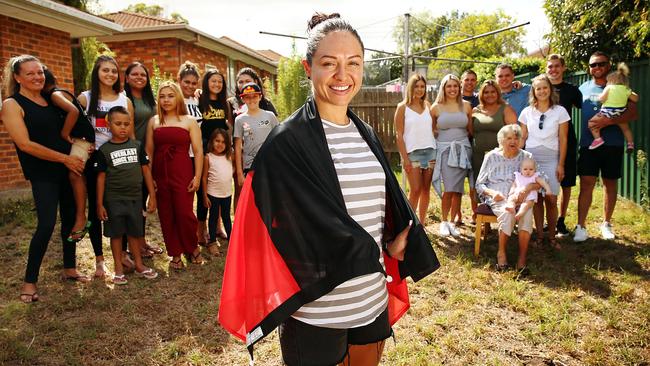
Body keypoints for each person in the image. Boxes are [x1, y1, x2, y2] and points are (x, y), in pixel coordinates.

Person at [218, 13, 439, 366]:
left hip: (370, 299)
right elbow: (261, 226)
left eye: (353, 63)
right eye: (328, 63)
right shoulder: (286, 142)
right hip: (317, 311)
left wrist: (394, 238)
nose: (342, 75)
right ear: (308, 67)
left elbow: (376, 207)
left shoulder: (365, 133)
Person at [2, 55, 89, 303]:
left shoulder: (50, 98)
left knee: (70, 219)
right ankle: (29, 282)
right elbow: (25, 144)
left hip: (68, 167)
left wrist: (80, 147)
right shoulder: (12, 104)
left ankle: (70, 267)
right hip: (43, 172)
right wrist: (64, 158)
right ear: (17, 77)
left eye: (39, 72)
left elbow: (70, 127)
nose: (37, 77)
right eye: (30, 73)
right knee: (46, 224)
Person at [78, 55, 135, 278]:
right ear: (96, 73)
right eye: (105, 70)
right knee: (96, 208)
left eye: (114, 71)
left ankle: (122, 253)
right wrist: (79, 143)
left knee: (122, 207)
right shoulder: (85, 99)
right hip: (95, 162)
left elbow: (129, 135)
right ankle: (100, 261)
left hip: (119, 162)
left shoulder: (124, 100)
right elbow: (72, 124)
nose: (110, 74)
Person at [574, 51, 638, 242]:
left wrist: (607, 122)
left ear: (608, 65)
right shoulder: (583, 88)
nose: (597, 67)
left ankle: (607, 223)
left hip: (613, 143)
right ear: (589, 68)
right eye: (593, 65)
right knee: (586, 184)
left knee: (610, 183)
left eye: (601, 63)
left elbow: (633, 113)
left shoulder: (619, 86)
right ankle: (581, 226)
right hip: (589, 144)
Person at [96, 106, 158, 284]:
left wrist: (152, 196)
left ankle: (139, 265)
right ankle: (118, 268)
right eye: (118, 124)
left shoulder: (137, 146)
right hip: (113, 200)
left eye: (126, 124)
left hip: (135, 199)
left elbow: (146, 171)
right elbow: (101, 179)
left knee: (135, 232)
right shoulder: (104, 151)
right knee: (116, 235)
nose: (122, 128)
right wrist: (99, 204)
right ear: (109, 125)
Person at [146, 81, 204, 269]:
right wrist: (150, 178)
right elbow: (149, 150)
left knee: (184, 212)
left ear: (178, 97)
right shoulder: (154, 121)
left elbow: (198, 151)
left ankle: (192, 247)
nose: (166, 100)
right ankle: (175, 253)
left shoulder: (189, 121)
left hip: (182, 170)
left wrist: (197, 177)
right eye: (162, 96)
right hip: (160, 172)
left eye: (170, 95)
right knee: (166, 214)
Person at [476, 124, 539, 275]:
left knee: (527, 213)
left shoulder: (527, 157)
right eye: (509, 138)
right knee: (508, 212)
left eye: (516, 137)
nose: (513, 141)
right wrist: (491, 193)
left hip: (521, 197)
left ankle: (522, 258)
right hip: (499, 197)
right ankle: (501, 253)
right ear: (501, 140)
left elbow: (540, 180)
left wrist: (527, 188)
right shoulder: (491, 157)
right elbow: (480, 184)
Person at [42, 67, 94, 243]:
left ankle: (81, 217)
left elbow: (74, 111)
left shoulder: (55, 95)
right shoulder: (57, 92)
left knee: (75, 173)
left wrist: (65, 134)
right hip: (81, 137)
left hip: (82, 138)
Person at [519, 74, 569, 249]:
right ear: (534, 91)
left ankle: (552, 236)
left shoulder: (560, 111)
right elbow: (523, 137)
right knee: (536, 200)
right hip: (532, 160)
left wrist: (561, 164)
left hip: (551, 159)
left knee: (551, 198)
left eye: (545, 87)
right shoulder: (527, 112)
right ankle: (539, 235)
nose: (542, 91)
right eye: (538, 88)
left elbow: (563, 139)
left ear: (550, 89)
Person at [124, 61, 163, 257]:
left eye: (143, 75)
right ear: (127, 78)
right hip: (133, 154)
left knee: (144, 197)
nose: (139, 77)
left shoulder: (150, 100)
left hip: (150, 153)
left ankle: (142, 241)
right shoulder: (125, 99)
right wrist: (137, 158)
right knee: (135, 200)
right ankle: (134, 245)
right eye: (135, 74)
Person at [431, 74, 473, 237]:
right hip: (445, 151)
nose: (452, 89)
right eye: (449, 86)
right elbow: (431, 131)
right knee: (448, 188)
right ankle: (444, 221)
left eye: (455, 86)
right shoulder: (436, 108)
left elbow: (470, 130)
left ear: (459, 87)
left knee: (458, 189)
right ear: (443, 88)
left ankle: (454, 222)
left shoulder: (467, 106)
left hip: (463, 149)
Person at [469, 80, 517, 223]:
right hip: (479, 156)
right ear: (481, 94)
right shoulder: (475, 110)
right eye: (486, 92)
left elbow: (514, 132)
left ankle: (507, 216)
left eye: (492, 91)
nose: (489, 95)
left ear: (498, 92)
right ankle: (484, 220)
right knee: (480, 186)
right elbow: (471, 131)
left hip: (500, 157)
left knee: (500, 185)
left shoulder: (505, 108)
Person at [545, 54, 582, 237]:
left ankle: (561, 219)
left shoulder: (572, 90)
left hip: (566, 139)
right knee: (544, 179)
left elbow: (589, 106)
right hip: (545, 141)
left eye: (556, 66)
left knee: (565, 181)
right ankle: (546, 220)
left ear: (563, 68)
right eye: (550, 66)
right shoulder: (542, 88)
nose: (553, 69)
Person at [394, 73, 436, 225]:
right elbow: (399, 135)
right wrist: (405, 159)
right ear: (411, 88)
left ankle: (422, 224)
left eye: (422, 86)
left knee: (426, 189)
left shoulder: (428, 106)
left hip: (430, 152)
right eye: (416, 86)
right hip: (413, 154)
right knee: (416, 189)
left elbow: (432, 129)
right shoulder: (402, 107)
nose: (419, 89)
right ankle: (409, 224)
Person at [177, 61, 209, 246]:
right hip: (182, 154)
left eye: (193, 83)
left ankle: (201, 229)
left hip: (197, 152)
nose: (190, 86)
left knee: (202, 191)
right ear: (179, 80)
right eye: (186, 82)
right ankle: (186, 232)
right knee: (186, 195)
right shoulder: (175, 99)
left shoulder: (199, 99)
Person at [233, 83, 279, 187]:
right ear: (243, 99)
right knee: (252, 199)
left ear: (260, 97)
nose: (251, 100)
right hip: (250, 165)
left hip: (269, 164)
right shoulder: (239, 120)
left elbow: (279, 139)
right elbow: (237, 146)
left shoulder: (270, 116)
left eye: (254, 96)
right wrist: (240, 173)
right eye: (247, 97)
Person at [590, 62, 638, 152]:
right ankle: (630, 144)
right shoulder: (626, 89)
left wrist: (599, 96)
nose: (607, 83)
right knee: (626, 129)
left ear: (612, 80)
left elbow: (602, 99)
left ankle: (598, 139)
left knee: (592, 124)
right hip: (621, 113)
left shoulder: (609, 87)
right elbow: (635, 99)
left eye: (608, 81)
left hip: (607, 112)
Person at [202, 129, 234, 251]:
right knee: (213, 216)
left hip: (226, 193)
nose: (220, 144)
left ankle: (232, 239)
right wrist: (205, 196)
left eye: (223, 142)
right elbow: (204, 178)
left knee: (226, 216)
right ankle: (212, 242)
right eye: (217, 141)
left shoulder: (229, 156)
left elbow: (233, 169)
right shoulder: (208, 157)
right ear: (212, 141)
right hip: (213, 193)